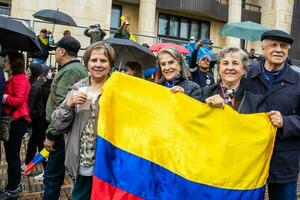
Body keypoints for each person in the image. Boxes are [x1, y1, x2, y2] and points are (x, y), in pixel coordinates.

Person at [51, 42, 115, 200]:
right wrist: (69, 104)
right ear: (87, 63)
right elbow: (58, 124)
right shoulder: (77, 89)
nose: (98, 65)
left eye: (103, 60)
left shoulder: (117, 90)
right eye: (94, 60)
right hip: (83, 162)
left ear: (110, 64)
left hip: (109, 164)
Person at [244, 29, 300, 200]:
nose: (278, 49)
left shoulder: (298, 81)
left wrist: (286, 122)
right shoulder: (246, 76)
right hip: (249, 157)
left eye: (283, 46)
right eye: (273, 45)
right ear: (263, 49)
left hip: (284, 158)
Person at [43, 36, 88, 200]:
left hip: (61, 134)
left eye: (56, 49)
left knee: (52, 177)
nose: (54, 52)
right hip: (65, 132)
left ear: (62, 51)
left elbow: (63, 106)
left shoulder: (70, 71)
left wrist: (52, 135)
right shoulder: (75, 68)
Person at [0, 52, 31, 199]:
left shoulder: (21, 78)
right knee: (11, 154)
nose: (3, 62)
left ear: (13, 63)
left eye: (6, 60)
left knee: (12, 155)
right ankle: (12, 186)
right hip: (14, 120)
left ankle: (14, 187)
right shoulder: (15, 78)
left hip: (17, 120)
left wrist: (3, 97)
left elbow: (18, 101)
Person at [202, 47, 264, 113]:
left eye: (235, 63)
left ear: (244, 70)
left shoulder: (256, 99)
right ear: (219, 69)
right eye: (225, 63)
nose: (230, 68)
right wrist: (204, 105)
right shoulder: (205, 93)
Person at [23, 63, 48, 181]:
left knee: (41, 145)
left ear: (34, 72)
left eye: (28, 71)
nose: (27, 73)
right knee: (33, 143)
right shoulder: (42, 83)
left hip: (38, 120)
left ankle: (46, 171)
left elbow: (30, 105)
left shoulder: (34, 86)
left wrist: (26, 120)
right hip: (42, 120)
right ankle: (28, 164)